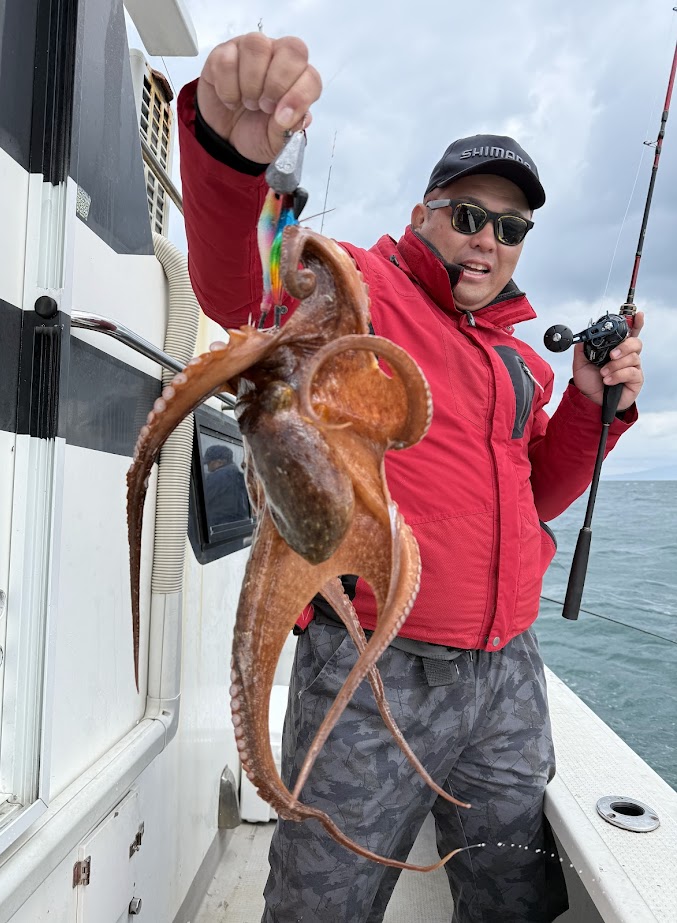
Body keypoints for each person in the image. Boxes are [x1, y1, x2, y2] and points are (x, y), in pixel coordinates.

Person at [176, 33, 645, 923]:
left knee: (510, 893)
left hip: (506, 675)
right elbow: (242, 287)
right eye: (468, 214)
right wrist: (233, 161)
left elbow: (537, 492)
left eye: (510, 229)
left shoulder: (517, 360)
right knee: (323, 900)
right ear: (424, 210)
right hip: (371, 673)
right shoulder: (358, 291)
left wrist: (592, 404)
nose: (487, 241)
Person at [203, 443, 249, 529]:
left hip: (219, 527)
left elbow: (202, 499)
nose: (207, 467)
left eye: (209, 462)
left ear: (220, 462)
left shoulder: (219, 476)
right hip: (236, 526)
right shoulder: (237, 475)